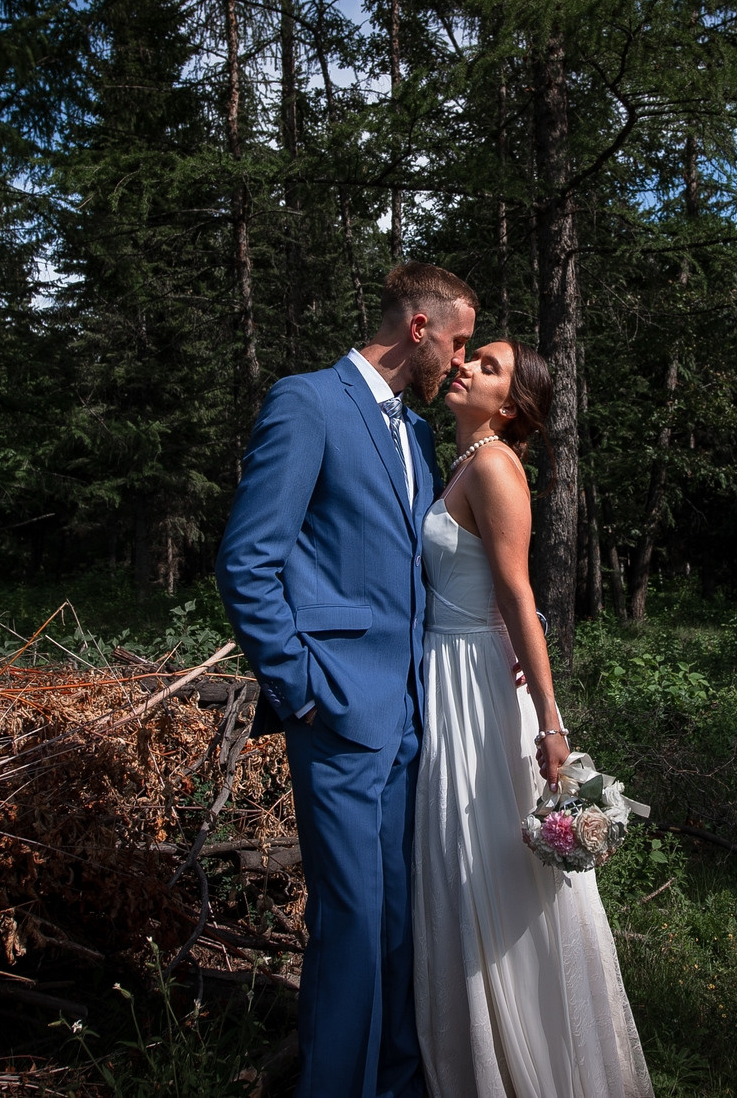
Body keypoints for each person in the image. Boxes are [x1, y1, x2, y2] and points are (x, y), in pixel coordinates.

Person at [217, 263, 479, 1098]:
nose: (462, 360)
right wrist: (298, 686)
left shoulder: (420, 432)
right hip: (334, 707)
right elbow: (248, 561)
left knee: (403, 923)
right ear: (419, 330)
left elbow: (424, 566)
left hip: (411, 713)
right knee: (353, 922)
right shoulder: (307, 402)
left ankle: (398, 1084)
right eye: (459, 340)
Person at [412, 337, 653, 1098]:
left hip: (479, 683)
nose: (463, 366)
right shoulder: (457, 459)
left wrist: (551, 720)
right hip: (447, 674)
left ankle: (541, 1068)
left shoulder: (491, 465)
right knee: (463, 865)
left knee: (496, 868)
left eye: (486, 366)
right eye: (469, 356)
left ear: (510, 405)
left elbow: (517, 595)